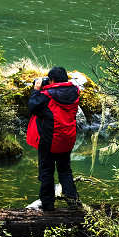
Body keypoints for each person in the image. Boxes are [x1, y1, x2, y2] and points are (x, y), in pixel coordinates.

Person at [26, 66, 81, 210]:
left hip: (49, 140)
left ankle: (48, 206)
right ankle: (73, 203)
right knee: (65, 170)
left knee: (46, 172)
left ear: (53, 80)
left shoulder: (47, 95)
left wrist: (37, 89)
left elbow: (32, 106)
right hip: (67, 139)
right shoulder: (75, 92)